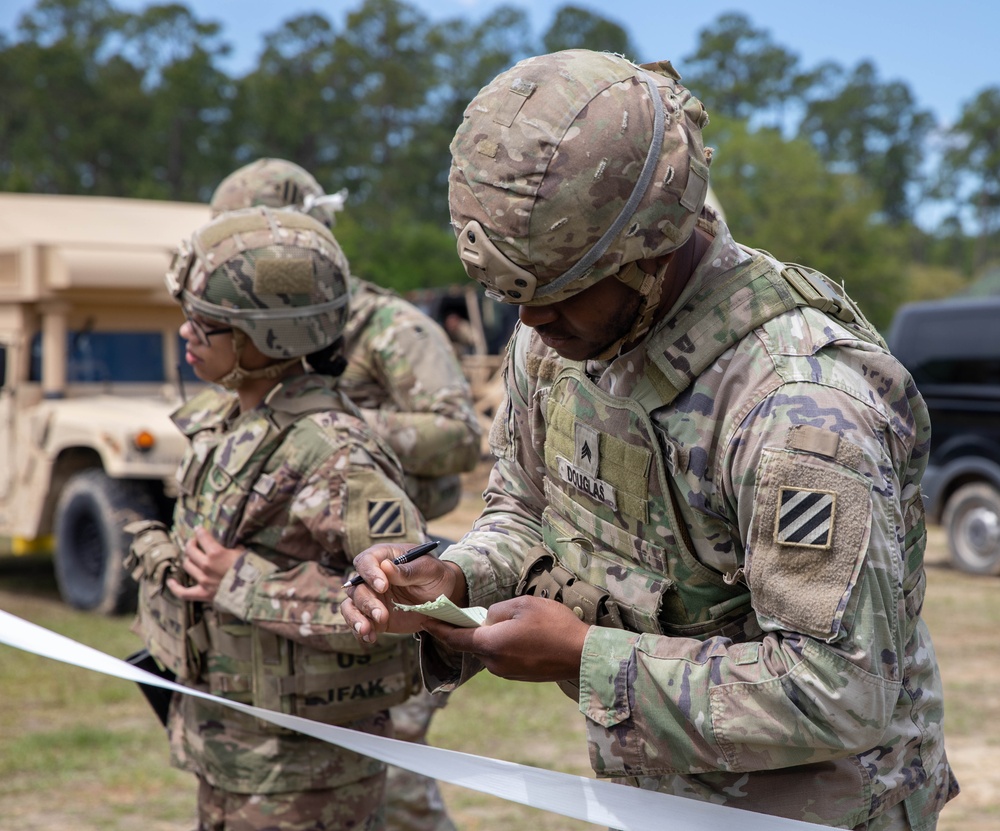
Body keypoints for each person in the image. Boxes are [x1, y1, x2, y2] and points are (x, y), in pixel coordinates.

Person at [342, 49, 960, 830]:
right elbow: (523, 510)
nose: (530, 323)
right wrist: (454, 579)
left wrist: (582, 656)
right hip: (655, 793)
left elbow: (841, 690)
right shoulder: (563, 340)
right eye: (512, 296)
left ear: (652, 248)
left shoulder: (798, 408)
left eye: (559, 292)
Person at [127, 206, 426, 831]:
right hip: (232, 749)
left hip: (306, 777)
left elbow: (403, 607)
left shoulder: (336, 452)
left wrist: (240, 580)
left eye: (207, 325)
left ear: (269, 339)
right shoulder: (232, 421)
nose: (187, 334)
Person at [210, 159, 473, 831]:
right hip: (282, 593)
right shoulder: (253, 330)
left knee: (396, 788)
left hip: (386, 574)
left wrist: (334, 428)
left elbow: (459, 435)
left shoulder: (392, 329)